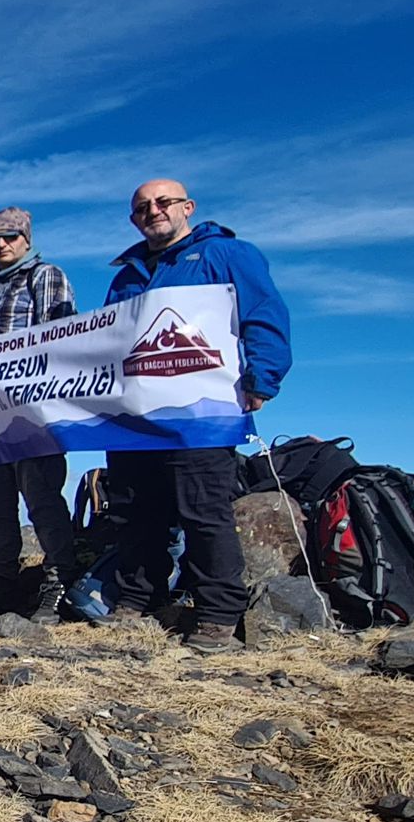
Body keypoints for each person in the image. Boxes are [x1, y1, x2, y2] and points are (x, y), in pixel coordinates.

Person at [102, 180, 291, 653]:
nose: (153, 211)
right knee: (136, 511)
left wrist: (262, 377)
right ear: (133, 219)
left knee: (203, 511)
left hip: (200, 412)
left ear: (187, 207)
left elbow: (263, 311)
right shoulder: (125, 275)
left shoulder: (226, 254)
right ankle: (138, 600)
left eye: (163, 203)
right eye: (143, 207)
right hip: (133, 418)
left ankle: (217, 615)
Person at [0, 206, 78, 622]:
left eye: (10, 236)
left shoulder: (45, 275)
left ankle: (57, 582)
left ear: (27, 239)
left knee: (41, 499)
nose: (1, 243)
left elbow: (61, 334)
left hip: (31, 410)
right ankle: (4, 581)